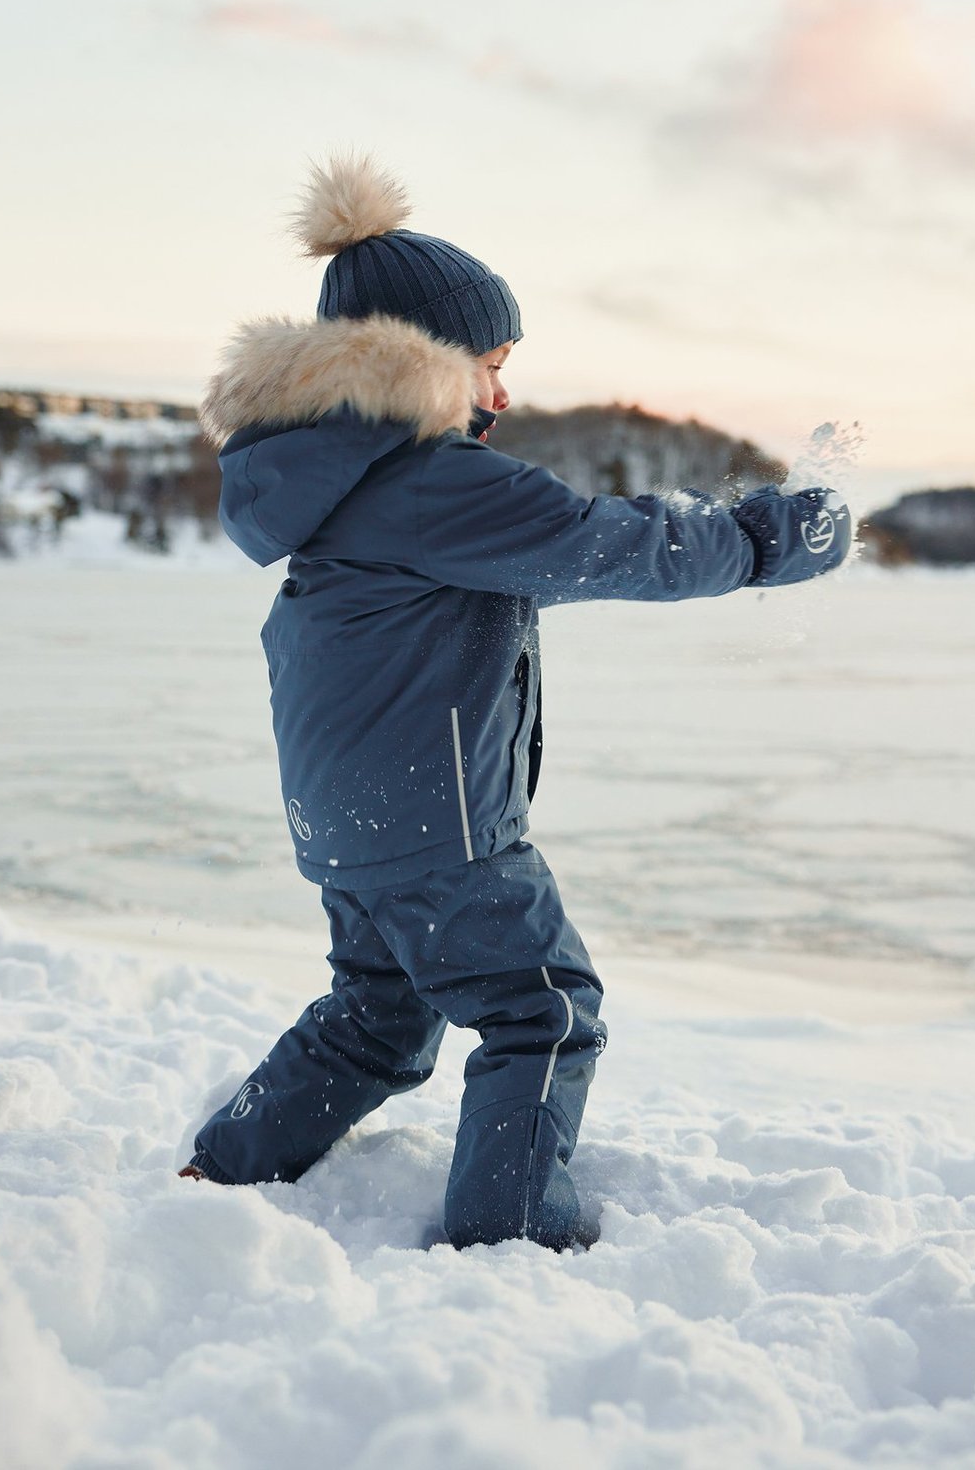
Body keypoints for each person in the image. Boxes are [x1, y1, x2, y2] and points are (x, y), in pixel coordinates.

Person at [181, 151, 852, 1250]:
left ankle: (221, 1168)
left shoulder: (332, 483)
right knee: (543, 1010)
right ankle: (511, 1229)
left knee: (380, 1019)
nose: (503, 391)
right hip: (441, 823)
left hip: (353, 821)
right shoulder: (429, 483)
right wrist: (768, 538)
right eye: (489, 365)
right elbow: (614, 545)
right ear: (419, 365)